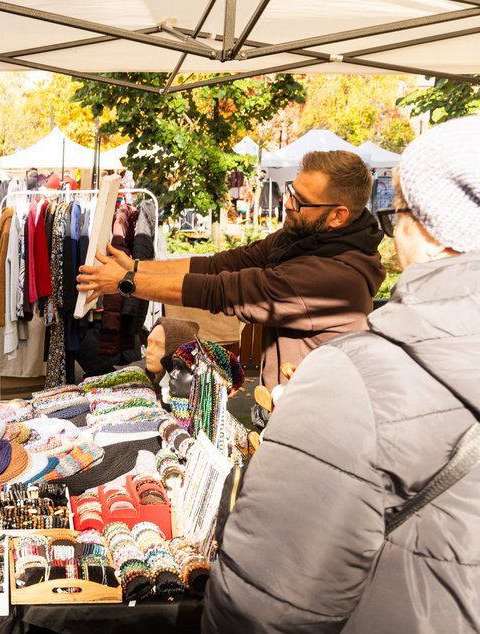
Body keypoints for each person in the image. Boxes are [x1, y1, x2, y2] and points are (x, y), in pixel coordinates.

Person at [203, 115, 480, 633]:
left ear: (425, 229)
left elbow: (264, 604)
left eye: (397, 212)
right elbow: (227, 267)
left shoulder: (354, 376)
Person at [77, 150, 385, 389]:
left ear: (338, 216)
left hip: (315, 416)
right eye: (291, 192)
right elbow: (220, 264)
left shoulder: (334, 276)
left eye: (301, 202)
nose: (289, 204)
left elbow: (224, 290)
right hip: (283, 401)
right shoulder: (302, 239)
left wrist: (128, 282)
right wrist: (137, 266)